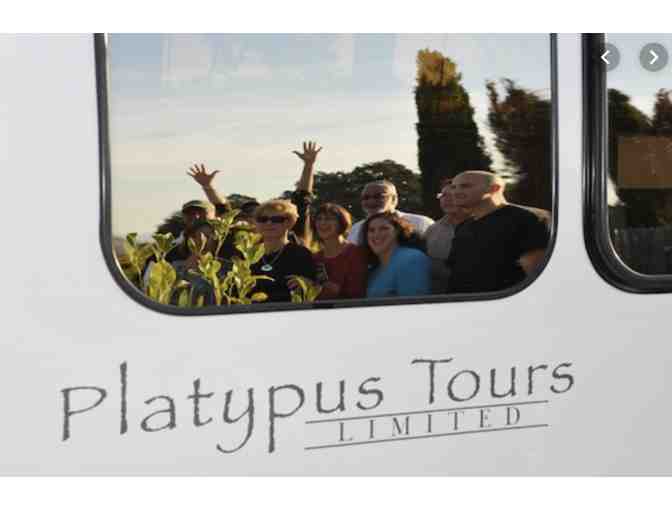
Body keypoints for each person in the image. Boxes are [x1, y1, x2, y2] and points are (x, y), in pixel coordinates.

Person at [445, 171, 550, 293]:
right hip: (465, 302)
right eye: (454, 187)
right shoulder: (463, 226)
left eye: (465, 186)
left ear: (494, 188)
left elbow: (537, 276)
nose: (455, 192)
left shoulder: (528, 218)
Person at [250, 199, 317, 303]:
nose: (269, 223)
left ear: (290, 223)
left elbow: (315, 289)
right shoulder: (246, 255)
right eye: (263, 219)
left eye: (276, 219)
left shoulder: (301, 255)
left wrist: (307, 284)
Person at [363, 212, 431, 298]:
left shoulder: (412, 259)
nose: (376, 234)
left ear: (397, 231)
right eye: (371, 230)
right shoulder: (374, 269)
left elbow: (414, 302)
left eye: (384, 228)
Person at [348, 180, 434, 245]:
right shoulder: (356, 229)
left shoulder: (420, 223)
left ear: (394, 199)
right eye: (366, 198)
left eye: (378, 196)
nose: (371, 201)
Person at [311, 203, 367, 300]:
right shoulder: (315, 258)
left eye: (329, 219)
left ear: (342, 223)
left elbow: (356, 293)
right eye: (319, 219)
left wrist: (327, 286)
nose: (322, 223)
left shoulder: (355, 253)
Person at [424, 180, 471, 293]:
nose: (447, 200)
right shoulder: (433, 229)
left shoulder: (483, 226)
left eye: (453, 195)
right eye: (443, 195)